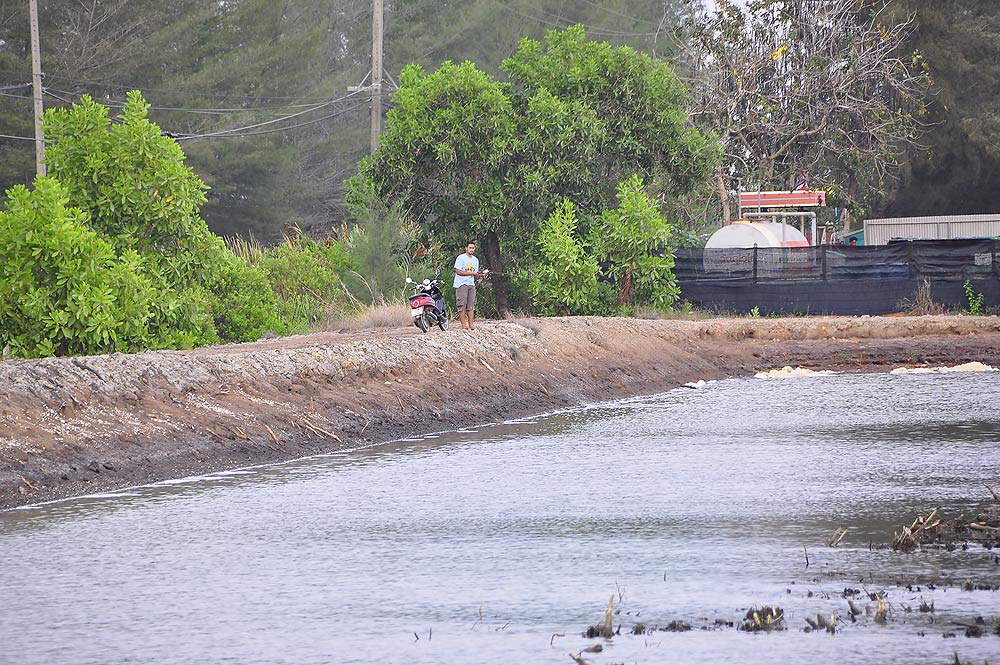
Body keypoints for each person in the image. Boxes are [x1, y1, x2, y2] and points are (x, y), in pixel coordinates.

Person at [453, 242, 484, 330]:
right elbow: (458, 271)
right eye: (470, 247)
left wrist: (482, 274)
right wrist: (471, 273)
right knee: (461, 304)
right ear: (466, 248)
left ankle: (471, 325)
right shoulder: (461, 258)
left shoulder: (475, 260)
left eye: (473, 248)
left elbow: (475, 273)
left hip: (471, 284)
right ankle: (463, 325)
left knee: (471, 305)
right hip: (461, 284)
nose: (471, 249)